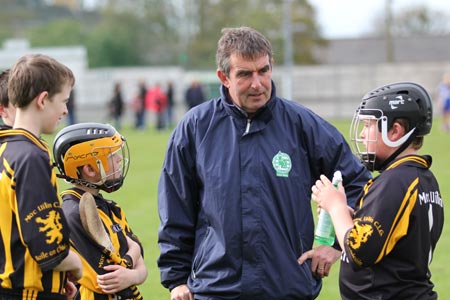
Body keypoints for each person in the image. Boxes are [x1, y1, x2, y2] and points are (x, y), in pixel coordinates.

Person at [157, 26, 371, 300]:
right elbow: (175, 209)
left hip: (287, 287)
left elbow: (360, 185)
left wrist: (333, 243)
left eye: (264, 70)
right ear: (224, 77)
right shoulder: (195, 128)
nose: (257, 83)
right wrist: (176, 279)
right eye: (245, 74)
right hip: (216, 290)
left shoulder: (303, 125)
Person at [309, 82, 443, 299]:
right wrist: (347, 214)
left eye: (368, 125)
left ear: (395, 131)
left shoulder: (396, 181)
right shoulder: (420, 177)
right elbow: (389, 236)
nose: (362, 135)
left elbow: (359, 250)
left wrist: (336, 208)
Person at [0, 53, 82, 299]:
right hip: (26, 292)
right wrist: (74, 264)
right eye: (63, 101)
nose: (66, 110)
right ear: (43, 100)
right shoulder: (31, 157)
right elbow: (48, 247)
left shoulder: (6, 148)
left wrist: (55, 280)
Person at [53, 122, 148, 299]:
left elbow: (140, 265)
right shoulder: (72, 215)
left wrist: (132, 274)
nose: (119, 159)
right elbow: (107, 277)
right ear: (89, 169)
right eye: (112, 155)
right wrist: (131, 263)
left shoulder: (111, 208)